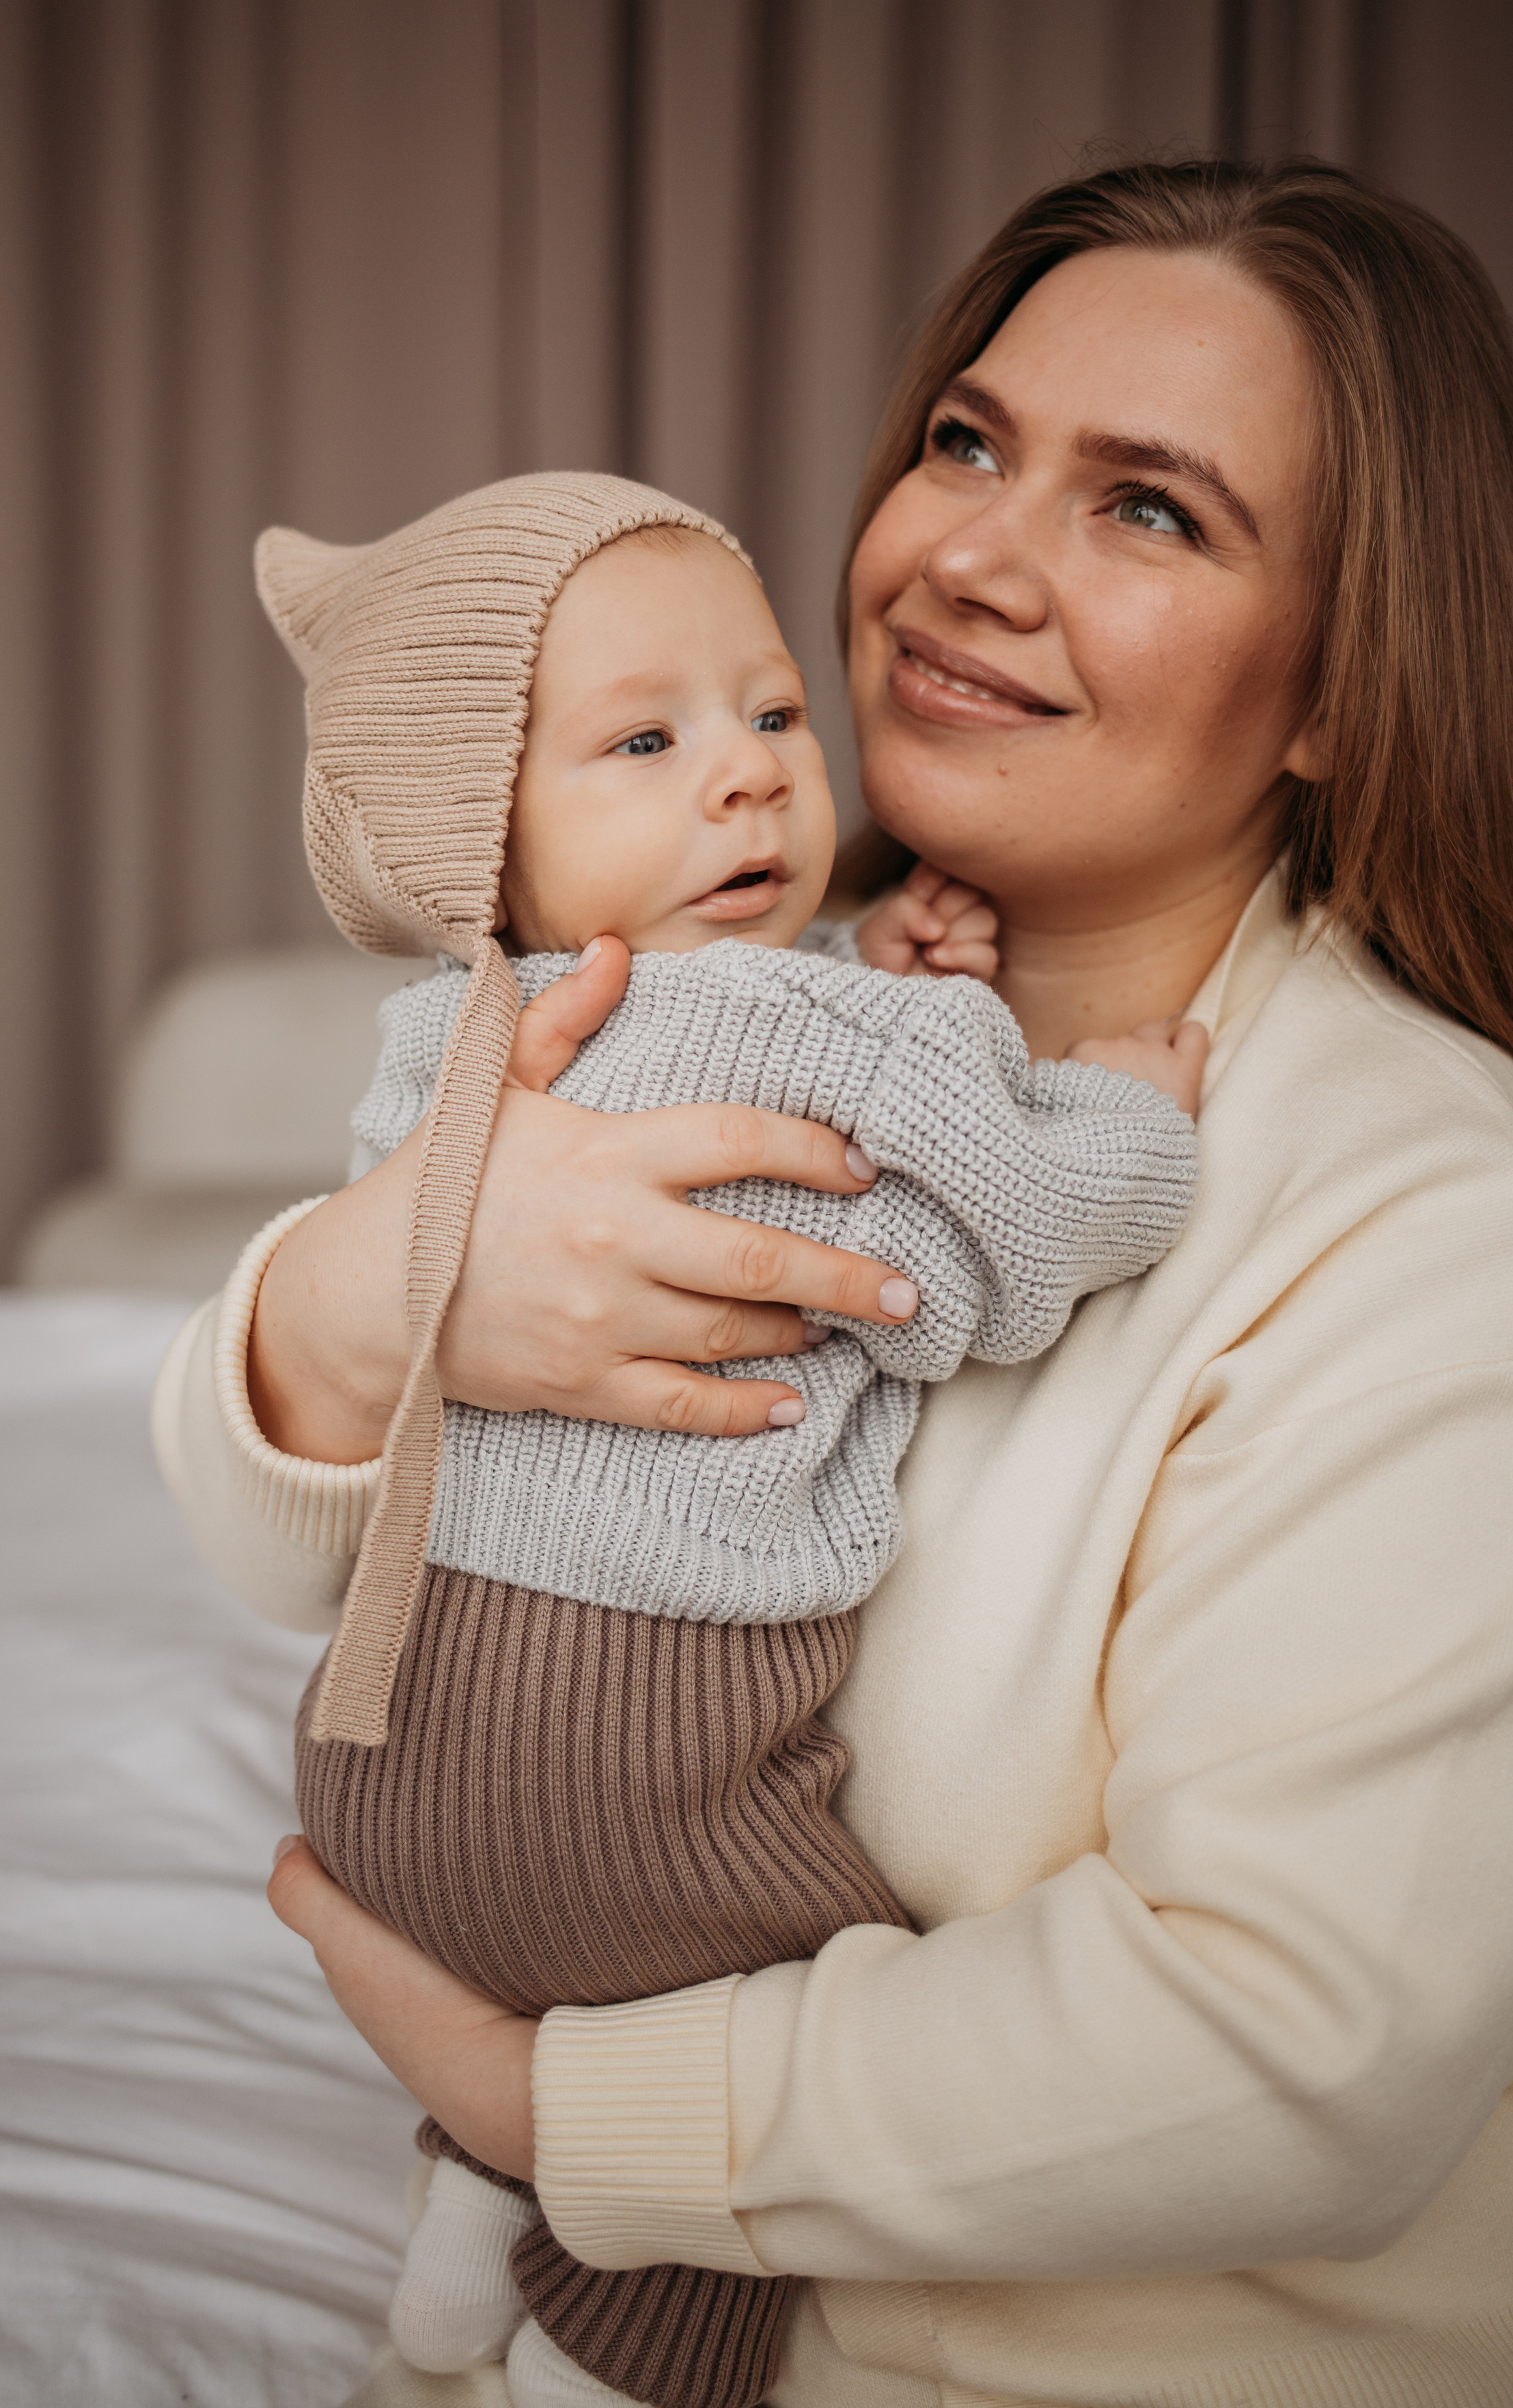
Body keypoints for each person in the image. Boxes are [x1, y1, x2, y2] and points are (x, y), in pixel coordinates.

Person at [153, 159, 1513, 2408]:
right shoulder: (716, 976)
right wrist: (395, 1288)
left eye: (1150, 512)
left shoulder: (1426, 1228)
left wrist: (543, 2122)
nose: (968, 557)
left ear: (1341, 699)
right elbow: (247, 1533)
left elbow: (1299, 2045)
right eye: (968, 443)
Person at [238, 471, 1200, 2408]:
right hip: (639, 1745)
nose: (753, 780)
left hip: (384, 1743)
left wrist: (884, 989)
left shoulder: (443, 1044)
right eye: (646, 742)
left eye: (769, 714)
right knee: (785, 2026)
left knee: (540, 1960)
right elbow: (1007, 1255)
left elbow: (704, 1045)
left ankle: (456, 2232)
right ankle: (620, 2360)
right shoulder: (853, 1053)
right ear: (479, 845)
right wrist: (1128, 1113)